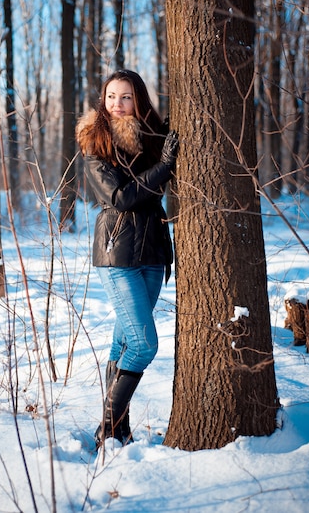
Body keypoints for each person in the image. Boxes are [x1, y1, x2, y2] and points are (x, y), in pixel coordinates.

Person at [76, 68, 179, 449]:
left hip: (153, 252)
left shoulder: (153, 139)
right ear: (102, 101)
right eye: (110, 97)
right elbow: (119, 198)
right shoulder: (94, 141)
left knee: (123, 342)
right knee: (143, 343)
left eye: (125, 97)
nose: (117, 105)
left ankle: (119, 429)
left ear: (138, 100)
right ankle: (109, 426)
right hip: (117, 254)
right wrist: (164, 167)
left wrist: (163, 152)